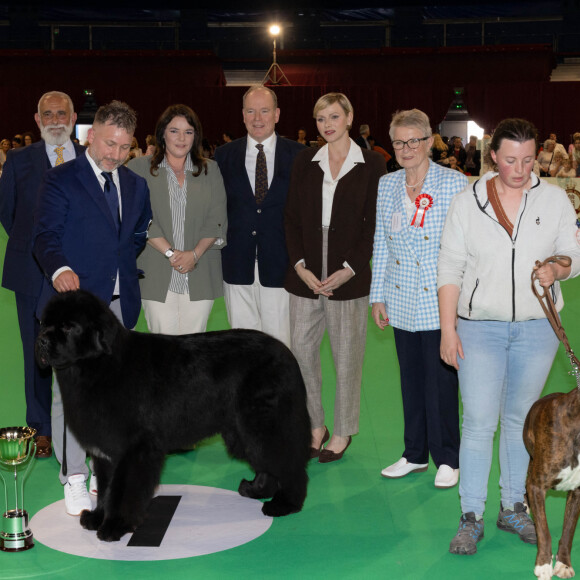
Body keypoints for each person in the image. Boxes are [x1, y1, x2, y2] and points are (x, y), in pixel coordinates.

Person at [438, 118, 580, 555]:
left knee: (523, 423)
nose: (520, 168)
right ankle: (471, 514)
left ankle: (513, 505)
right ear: (493, 156)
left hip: (538, 329)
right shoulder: (467, 202)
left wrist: (558, 269)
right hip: (478, 328)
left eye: (527, 159)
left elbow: (574, 254)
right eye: (510, 159)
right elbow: (450, 269)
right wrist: (448, 330)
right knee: (479, 422)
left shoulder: (555, 200)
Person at [33, 100, 152, 516]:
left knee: (117, 395)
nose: (115, 155)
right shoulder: (60, 180)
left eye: (124, 147)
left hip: (120, 308)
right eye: (108, 144)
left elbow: (137, 235)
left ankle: (110, 469)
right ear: (90, 136)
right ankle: (76, 478)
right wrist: (61, 268)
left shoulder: (136, 185)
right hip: (75, 313)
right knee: (72, 398)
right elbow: (44, 236)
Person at [285, 93, 385, 462]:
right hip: (304, 275)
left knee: (347, 358)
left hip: (350, 274)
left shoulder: (373, 164)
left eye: (334, 116)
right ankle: (315, 426)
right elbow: (291, 218)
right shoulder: (304, 161)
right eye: (321, 119)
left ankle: (342, 431)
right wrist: (299, 266)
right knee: (302, 354)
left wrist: (350, 269)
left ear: (349, 117)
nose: (327, 124)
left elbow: (373, 226)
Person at [371, 109, 467, 488]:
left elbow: (462, 247)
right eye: (399, 141)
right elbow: (381, 241)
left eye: (415, 140)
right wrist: (378, 296)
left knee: (441, 382)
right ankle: (414, 454)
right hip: (400, 298)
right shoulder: (387, 184)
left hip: (439, 298)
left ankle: (447, 457)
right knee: (410, 379)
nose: (407, 148)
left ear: (429, 142)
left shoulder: (454, 183)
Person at [0, 91, 85, 459]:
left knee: (81, 350)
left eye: (61, 113)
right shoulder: (18, 161)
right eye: (47, 114)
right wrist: (36, 251)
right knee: (36, 351)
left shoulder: (89, 157)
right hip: (31, 273)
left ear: (73, 116)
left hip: (80, 273)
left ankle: (81, 425)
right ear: (37, 120)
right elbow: (8, 214)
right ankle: (40, 428)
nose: (54, 120)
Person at [214, 85, 304, 347]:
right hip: (236, 265)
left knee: (280, 346)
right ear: (242, 115)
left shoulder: (299, 156)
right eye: (251, 111)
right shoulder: (223, 156)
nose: (257, 118)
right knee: (242, 348)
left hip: (282, 266)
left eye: (264, 111)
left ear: (276, 114)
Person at [128, 104, 227, 334]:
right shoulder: (139, 168)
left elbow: (217, 218)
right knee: (163, 352)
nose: (181, 138)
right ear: (162, 133)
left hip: (200, 273)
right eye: (174, 131)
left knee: (195, 350)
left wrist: (194, 255)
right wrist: (172, 255)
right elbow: (140, 218)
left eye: (188, 132)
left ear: (196, 136)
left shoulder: (210, 170)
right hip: (155, 272)